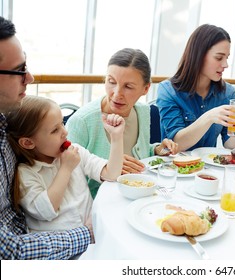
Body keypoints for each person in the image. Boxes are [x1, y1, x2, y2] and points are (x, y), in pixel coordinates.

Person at [0, 16, 92, 259]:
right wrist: (86, 235)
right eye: (19, 70)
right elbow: (9, 252)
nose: (29, 78)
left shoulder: (7, 126)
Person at [66, 48, 178, 199]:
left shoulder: (143, 112)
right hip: (97, 205)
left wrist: (156, 149)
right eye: (111, 82)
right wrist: (108, 165)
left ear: (146, 89)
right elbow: (68, 175)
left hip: (140, 196)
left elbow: (138, 153)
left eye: (128, 86)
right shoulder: (82, 122)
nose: (117, 93)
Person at [7, 96, 125, 232]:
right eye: (55, 130)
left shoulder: (75, 151)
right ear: (28, 143)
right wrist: (66, 168)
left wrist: (116, 137)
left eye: (62, 123)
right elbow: (46, 211)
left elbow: (112, 174)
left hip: (93, 236)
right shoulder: (25, 173)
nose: (65, 132)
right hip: (62, 250)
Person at [156, 24, 235, 151]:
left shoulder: (228, 93)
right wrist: (209, 117)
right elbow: (177, 144)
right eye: (219, 57)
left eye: (226, 58)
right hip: (174, 167)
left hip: (207, 168)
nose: (225, 64)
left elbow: (228, 144)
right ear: (198, 55)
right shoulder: (168, 90)